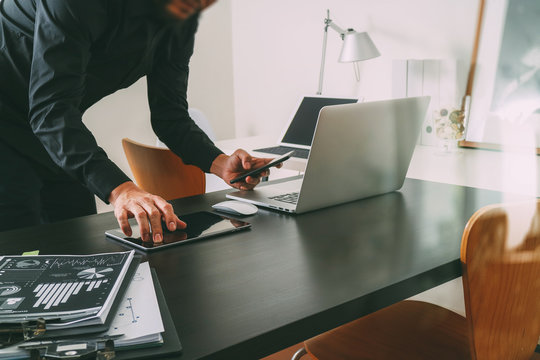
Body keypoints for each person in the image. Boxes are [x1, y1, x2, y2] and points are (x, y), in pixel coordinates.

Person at [0, 0, 275, 242]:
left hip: (53, 132)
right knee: (15, 257)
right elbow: (51, 109)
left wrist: (220, 163)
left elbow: (171, 116)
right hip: (10, 126)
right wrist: (122, 190)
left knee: (76, 247)